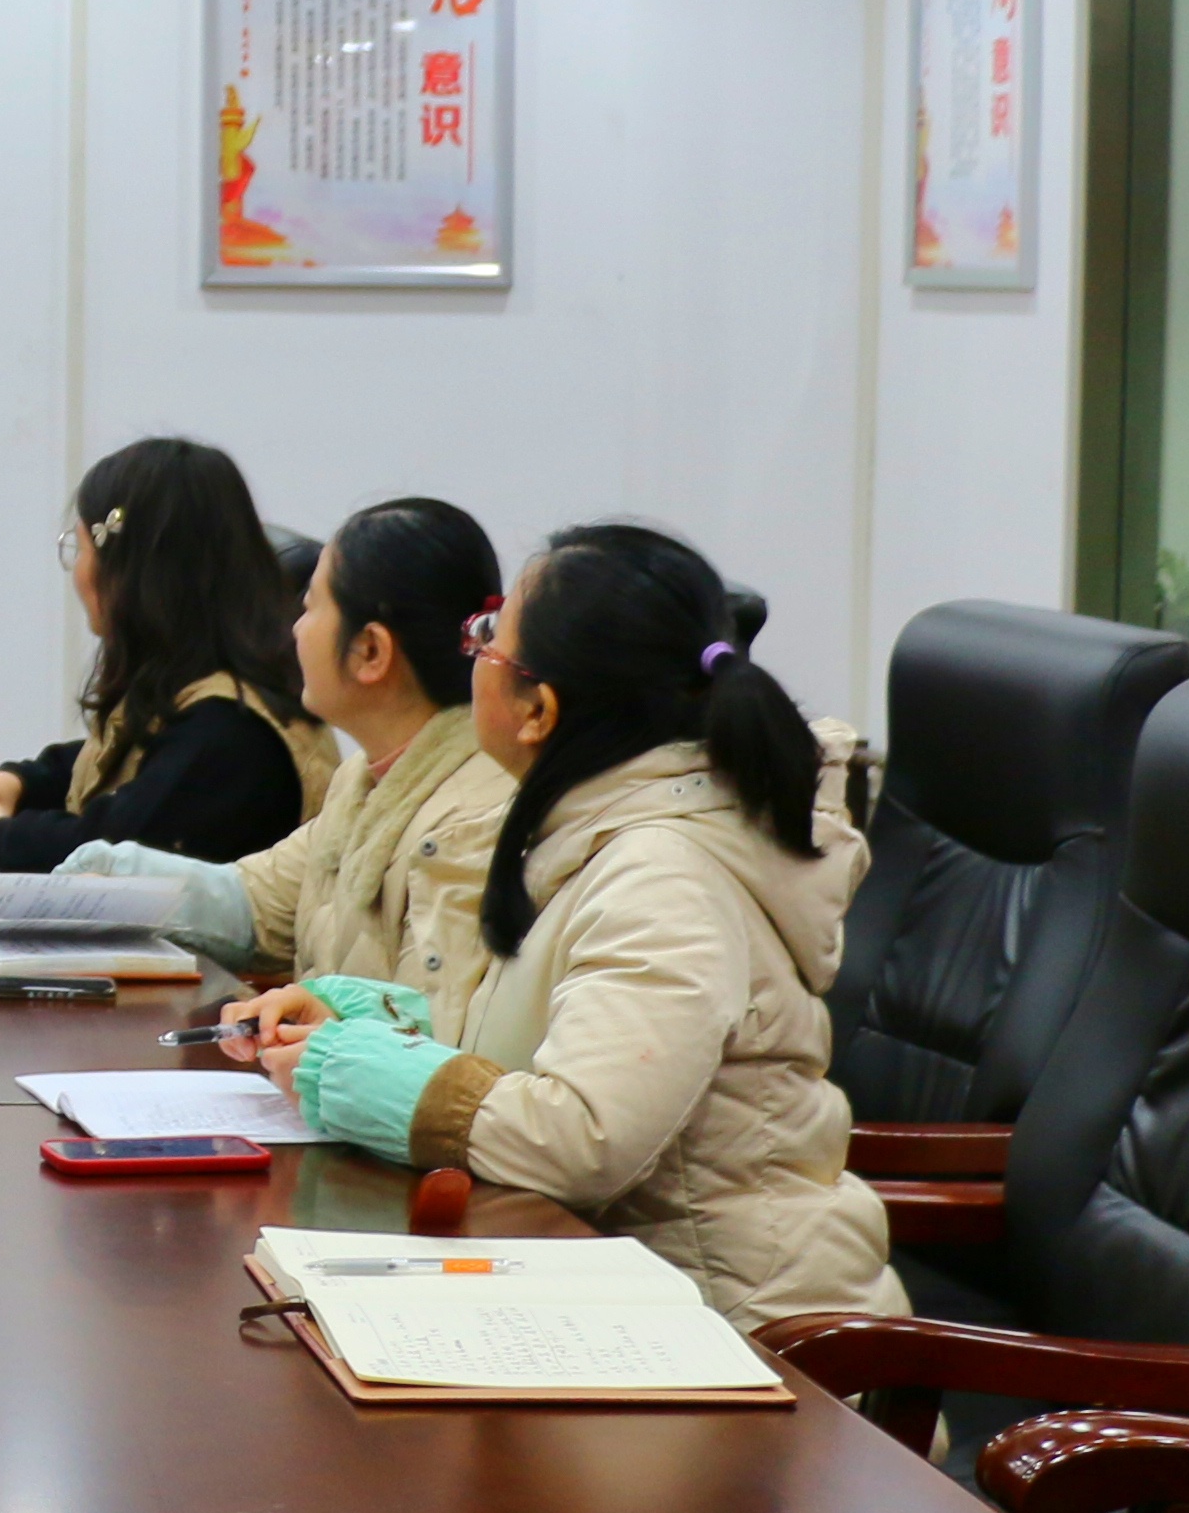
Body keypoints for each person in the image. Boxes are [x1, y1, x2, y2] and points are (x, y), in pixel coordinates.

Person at [245, 522, 896, 1328]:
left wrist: (356, 1073)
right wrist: (365, 1021)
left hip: (746, 1335)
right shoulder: (591, 830)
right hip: (608, 1293)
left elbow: (585, 1137)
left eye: (489, 637)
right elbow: (539, 1042)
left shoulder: (664, 875)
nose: (472, 650)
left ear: (536, 710)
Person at [0, 495, 514, 1019]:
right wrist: (103, 877)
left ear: (370, 652)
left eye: (310, 607)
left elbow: (429, 1030)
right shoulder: (366, 777)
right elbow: (254, 903)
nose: (295, 629)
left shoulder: (466, 824)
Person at [0, 438, 337, 870]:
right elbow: (124, 762)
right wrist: (18, 783)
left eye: (79, 549)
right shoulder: (203, 691)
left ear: (122, 573)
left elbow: (107, 852)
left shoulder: (231, 731)